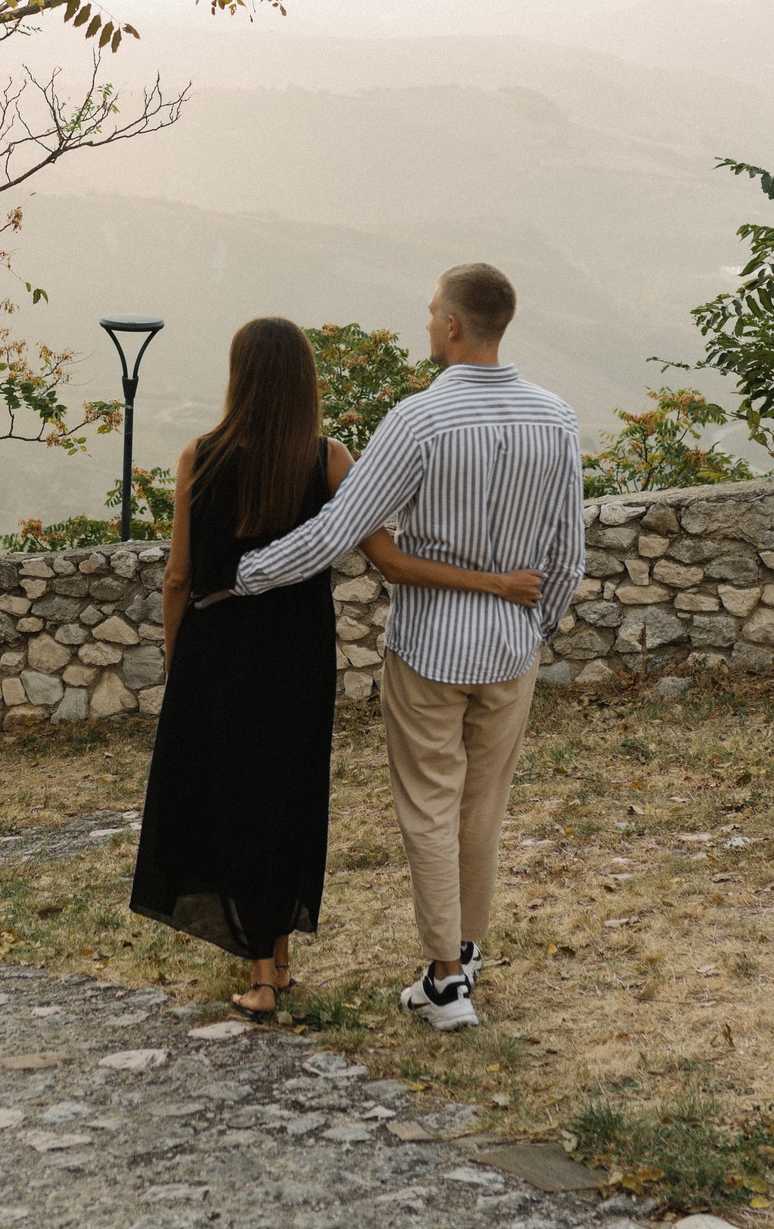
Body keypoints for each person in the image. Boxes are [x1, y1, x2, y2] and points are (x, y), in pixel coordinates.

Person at [127, 316, 543, 1020]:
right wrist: (496, 582)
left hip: (218, 650)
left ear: (239, 376)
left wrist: (179, 660)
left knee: (236, 798)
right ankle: (279, 959)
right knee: (288, 789)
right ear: (303, 381)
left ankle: (264, 977)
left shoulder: (200, 455)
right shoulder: (328, 459)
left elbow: (178, 576)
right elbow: (389, 558)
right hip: (297, 652)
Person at [235, 264, 583, 1032]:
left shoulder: (417, 421)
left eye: (432, 313)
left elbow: (335, 530)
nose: (427, 324)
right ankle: (461, 953)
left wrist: (247, 575)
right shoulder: (557, 418)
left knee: (430, 805)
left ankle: (448, 979)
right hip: (510, 652)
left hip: (427, 647)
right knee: (482, 809)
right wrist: (534, 628)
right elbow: (567, 556)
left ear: (455, 325)